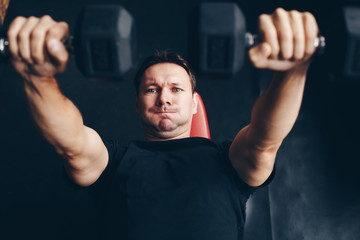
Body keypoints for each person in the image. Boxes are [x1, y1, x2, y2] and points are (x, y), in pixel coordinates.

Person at [7, 8, 319, 240]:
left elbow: (265, 139)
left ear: (195, 103)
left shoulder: (228, 162)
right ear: (137, 103)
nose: (163, 98)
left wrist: (291, 72)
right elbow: (72, 144)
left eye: (176, 89)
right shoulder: (113, 163)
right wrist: (38, 78)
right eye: (151, 89)